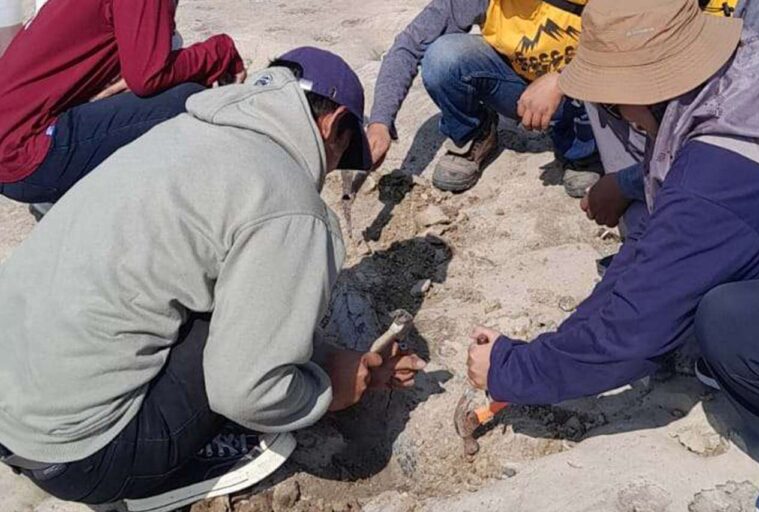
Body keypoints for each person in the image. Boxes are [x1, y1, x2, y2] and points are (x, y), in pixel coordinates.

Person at [0, 47, 426, 512]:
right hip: (84, 458)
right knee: (247, 368)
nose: (328, 172)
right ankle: (172, 479)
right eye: (342, 151)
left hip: (11, 407)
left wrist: (321, 353)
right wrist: (324, 389)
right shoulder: (290, 203)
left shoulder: (180, 131)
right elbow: (246, 391)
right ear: (333, 124)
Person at [466, 0, 759, 506]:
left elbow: (634, 333)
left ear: (649, 90)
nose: (614, 117)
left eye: (610, 105)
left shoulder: (715, 178)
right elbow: (650, 258)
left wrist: (510, 371)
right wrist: (539, 345)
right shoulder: (737, 80)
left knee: (727, 322)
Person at [0, 0, 245, 205]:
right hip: (24, 156)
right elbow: (149, 77)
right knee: (187, 99)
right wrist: (220, 51)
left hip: (14, 140)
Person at [366, 0, 600, 196]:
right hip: (516, 88)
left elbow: (627, 46)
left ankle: (582, 153)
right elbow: (409, 46)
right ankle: (475, 134)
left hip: (584, 89)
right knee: (442, 57)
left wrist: (562, 79)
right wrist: (380, 123)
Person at [580, 0, 759, 230]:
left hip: (727, 164)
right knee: (604, 86)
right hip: (679, 149)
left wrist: (623, 184)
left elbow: (734, 136)